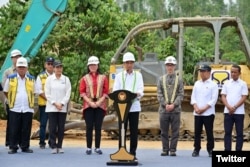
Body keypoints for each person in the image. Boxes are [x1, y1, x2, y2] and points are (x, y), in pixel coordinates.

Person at [112, 52, 144, 160]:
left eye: (131, 62)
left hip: (134, 107)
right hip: (122, 108)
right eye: (127, 63)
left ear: (133, 64)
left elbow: (141, 89)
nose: (129, 65)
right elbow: (116, 90)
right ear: (123, 64)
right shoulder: (119, 76)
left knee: (134, 131)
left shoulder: (138, 75)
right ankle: (122, 152)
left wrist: (137, 94)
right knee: (122, 130)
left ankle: (133, 153)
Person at [3, 57, 36, 154]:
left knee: (26, 128)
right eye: (20, 67)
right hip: (15, 107)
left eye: (23, 67)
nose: (21, 69)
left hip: (27, 107)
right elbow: (6, 91)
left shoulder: (31, 79)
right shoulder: (11, 78)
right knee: (14, 128)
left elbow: (34, 92)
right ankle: (13, 147)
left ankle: (25, 146)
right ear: (16, 68)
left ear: (26, 68)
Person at [79, 56, 109, 155]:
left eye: (94, 64)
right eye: (91, 65)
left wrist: (99, 102)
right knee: (89, 127)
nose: (93, 66)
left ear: (97, 65)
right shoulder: (84, 78)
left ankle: (97, 147)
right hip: (88, 105)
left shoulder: (103, 77)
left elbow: (106, 92)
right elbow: (82, 92)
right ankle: (88, 147)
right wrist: (90, 102)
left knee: (98, 127)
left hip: (100, 105)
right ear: (88, 66)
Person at [157, 56, 184, 157]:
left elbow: (181, 94)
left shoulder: (179, 80)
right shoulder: (161, 80)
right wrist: (165, 104)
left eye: (171, 65)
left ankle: (173, 150)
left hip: (175, 110)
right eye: (168, 65)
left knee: (175, 131)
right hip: (163, 110)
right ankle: (165, 149)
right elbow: (159, 94)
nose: (170, 67)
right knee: (164, 131)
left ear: (175, 66)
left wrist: (174, 105)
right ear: (165, 66)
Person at [190, 64, 218, 157]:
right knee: (197, 132)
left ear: (209, 72)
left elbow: (213, 100)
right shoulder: (197, 83)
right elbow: (193, 97)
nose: (201, 73)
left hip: (208, 113)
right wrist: (196, 107)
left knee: (209, 132)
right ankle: (196, 149)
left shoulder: (213, 85)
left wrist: (203, 109)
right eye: (200, 71)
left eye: (203, 71)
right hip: (197, 113)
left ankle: (210, 149)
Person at [45, 60, 71, 154]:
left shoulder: (66, 79)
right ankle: (53, 145)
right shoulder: (49, 79)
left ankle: (59, 146)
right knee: (52, 128)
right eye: (57, 67)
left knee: (61, 127)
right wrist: (55, 103)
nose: (59, 69)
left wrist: (62, 103)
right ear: (54, 68)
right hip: (52, 107)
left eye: (60, 67)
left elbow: (68, 93)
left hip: (62, 108)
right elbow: (47, 93)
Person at [221, 64, 248, 151]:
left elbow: (244, 97)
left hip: (239, 112)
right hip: (228, 112)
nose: (233, 74)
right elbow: (223, 96)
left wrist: (235, 107)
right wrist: (229, 107)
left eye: (235, 72)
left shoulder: (243, 84)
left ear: (239, 73)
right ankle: (227, 150)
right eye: (232, 72)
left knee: (239, 133)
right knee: (227, 132)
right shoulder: (226, 83)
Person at [1, 49, 22, 147]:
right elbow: (5, 87)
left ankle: (19, 141)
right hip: (10, 101)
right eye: (15, 57)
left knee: (20, 122)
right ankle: (9, 141)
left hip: (21, 102)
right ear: (12, 59)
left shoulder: (24, 71)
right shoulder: (7, 72)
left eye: (19, 56)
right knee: (11, 122)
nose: (17, 59)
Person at [36, 56, 55, 149]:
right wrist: (50, 99)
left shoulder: (57, 76)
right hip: (44, 104)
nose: (50, 66)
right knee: (43, 124)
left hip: (54, 105)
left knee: (53, 124)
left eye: (52, 64)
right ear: (45, 65)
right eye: (48, 64)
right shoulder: (40, 76)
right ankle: (42, 142)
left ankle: (52, 142)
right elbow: (39, 91)